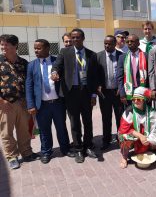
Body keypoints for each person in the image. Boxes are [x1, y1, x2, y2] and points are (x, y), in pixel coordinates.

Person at [51, 28, 98, 163]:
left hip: (86, 93)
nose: (75, 40)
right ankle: (78, 149)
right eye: (73, 38)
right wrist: (54, 73)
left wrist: (94, 95)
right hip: (71, 93)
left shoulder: (91, 55)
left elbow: (94, 77)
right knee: (74, 122)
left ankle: (88, 146)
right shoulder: (65, 52)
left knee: (88, 121)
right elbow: (56, 66)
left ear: (83, 38)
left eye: (78, 37)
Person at [25, 39, 74, 164]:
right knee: (44, 130)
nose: (36, 50)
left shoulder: (57, 61)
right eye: (35, 48)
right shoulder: (32, 65)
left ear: (47, 49)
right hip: (42, 105)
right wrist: (31, 104)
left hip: (58, 103)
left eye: (39, 48)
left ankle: (65, 148)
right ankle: (46, 152)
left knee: (61, 128)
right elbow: (29, 86)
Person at [0, 34, 39, 169]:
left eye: (6, 44)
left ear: (15, 46)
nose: (2, 47)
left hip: (23, 102)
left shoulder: (23, 62)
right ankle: (11, 156)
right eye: (2, 44)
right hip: (5, 104)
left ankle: (27, 153)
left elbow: (30, 82)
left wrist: (30, 101)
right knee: (6, 132)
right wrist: (1, 101)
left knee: (24, 130)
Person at [118, 87, 156, 168]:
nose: (135, 101)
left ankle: (145, 149)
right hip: (133, 135)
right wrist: (139, 136)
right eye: (133, 99)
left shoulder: (151, 112)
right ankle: (124, 157)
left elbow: (155, 129)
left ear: (144, 100)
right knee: (124, 138)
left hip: (146, 135)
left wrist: (148, 139)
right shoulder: (129, 112)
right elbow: (123, 130)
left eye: (138, 99)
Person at [97, 35, 123, 150]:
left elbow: (125, 73)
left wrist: (121, 88)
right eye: (105, 43)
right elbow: (95, 74)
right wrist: (97, 86)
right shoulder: (98, 56)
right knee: (106, 118)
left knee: (120, 117)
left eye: (109, 44)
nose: (107, 46)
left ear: (115, 44)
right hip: (104, 93)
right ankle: (106, 140)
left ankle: (121, 139)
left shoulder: (122, 56)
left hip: (117, 92)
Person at [118, 34, 149, 106]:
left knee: (144, 114)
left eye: (132, 41)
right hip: (128, 93)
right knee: (130, 115)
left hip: (143, 91)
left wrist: (149, 91)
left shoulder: (146, 56)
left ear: (138, 43)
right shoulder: (122, 57)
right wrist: (122, 94)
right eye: (127, 41)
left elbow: (150, 75)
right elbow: (120, 77)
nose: (129, 43)